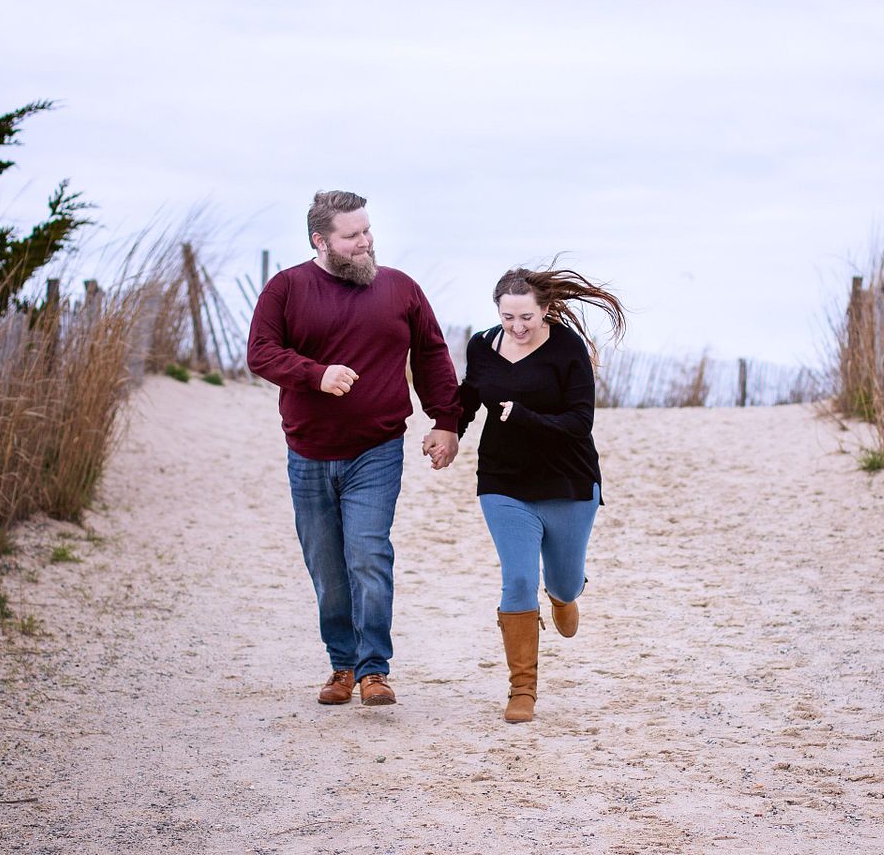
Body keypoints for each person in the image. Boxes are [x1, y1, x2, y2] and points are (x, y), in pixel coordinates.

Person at [248, 190, 460, 708]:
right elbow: (261, 353)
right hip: (309, 453)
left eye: (367, 230)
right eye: (352, 235)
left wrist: (446, 420)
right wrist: (316, 375)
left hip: (377, 448)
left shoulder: (399, 288)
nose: (365, 242)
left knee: (368, 554)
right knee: (327, 566)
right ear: (321, 240)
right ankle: (340, 665)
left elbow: (432, 352)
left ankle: (373, 670)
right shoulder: (287, 288)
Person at [437, 265, 625, 723]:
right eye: (508, 318)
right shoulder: (482, 346)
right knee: (518, 579)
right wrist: (449, 430)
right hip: (503, 483)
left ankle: (565, 595)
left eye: (527, 318)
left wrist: (522, 417)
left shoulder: (567, 349)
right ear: (497, 312)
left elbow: (580, 423)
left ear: (545, 311)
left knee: (561, 580)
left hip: (567, 482)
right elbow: (469, 396)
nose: (517, 328)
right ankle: (522, 690)